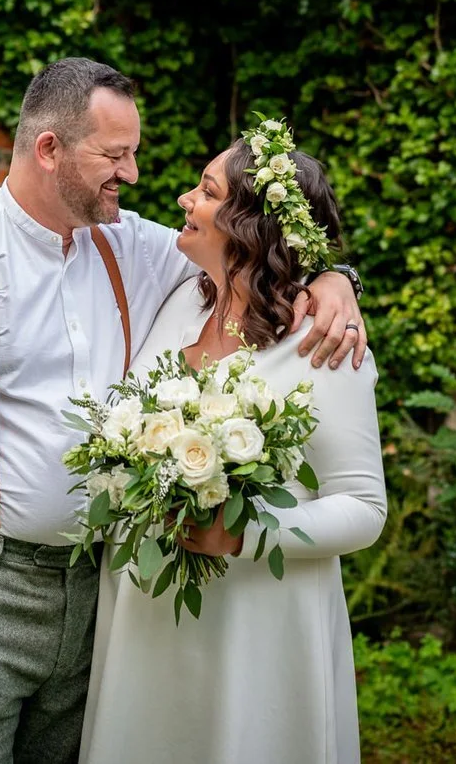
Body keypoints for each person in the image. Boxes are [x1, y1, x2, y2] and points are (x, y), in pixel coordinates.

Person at [0, 59, 368, 764]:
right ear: (50, 149)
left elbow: (254, 257)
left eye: (135, 153)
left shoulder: (138, 247)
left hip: (102, 595)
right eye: (115, 155)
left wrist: (336, 279)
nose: (135, 174)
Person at [80, 125, 385, 764]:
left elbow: (363, 508)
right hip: (147, 607)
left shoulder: (324, 345)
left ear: (248, 224)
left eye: (207, 190)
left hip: (259, 618)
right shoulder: (178, 305)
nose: (186, 200)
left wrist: (246, 534)